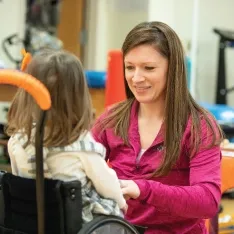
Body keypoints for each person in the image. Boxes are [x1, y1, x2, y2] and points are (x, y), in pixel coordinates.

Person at [92, 21, 223, 234]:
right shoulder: (112, 119)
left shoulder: (199, 126)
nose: (136, 78)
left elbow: (207, 200)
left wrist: (143, 189)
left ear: (172, 69)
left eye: (149, 68)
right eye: (129, 67)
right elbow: (82, 161)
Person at [6, 49, 127, 223]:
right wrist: (122, 202)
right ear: (78, 97)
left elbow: (21, 182)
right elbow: (109, 189)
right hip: (76, 225)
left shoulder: (17, 141)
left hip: (32, 223)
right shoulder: (81, 145)